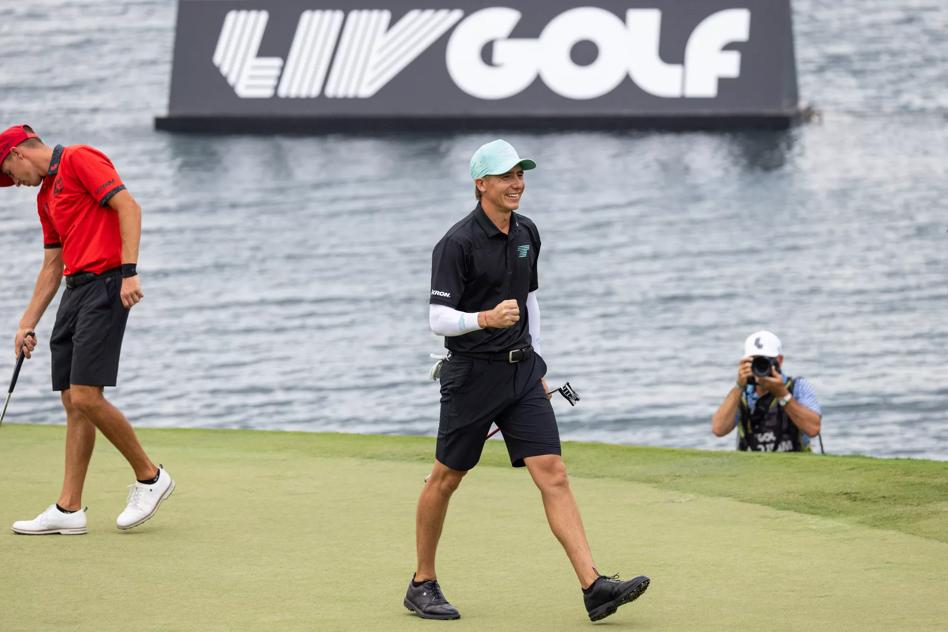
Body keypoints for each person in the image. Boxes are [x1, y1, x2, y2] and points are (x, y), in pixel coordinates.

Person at [405, 139, 649, 622]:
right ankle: (422, 583)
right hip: (470, 376)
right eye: (506, 176)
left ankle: (593, 585)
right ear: (482, 184)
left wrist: (537, 362)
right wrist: (484, 320)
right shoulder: (456, 243)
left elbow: (529, 299)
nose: (517, 184)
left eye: (521, 174)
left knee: (553, 473)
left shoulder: (527, 232)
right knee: (446, 478)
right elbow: (437, 318)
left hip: (522, 373)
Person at [1, 124, 174, 535]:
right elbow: (52, 266)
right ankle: (69, 508)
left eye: (8, 174)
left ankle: (151, 477)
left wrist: (130, 273)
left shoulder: (80, 158)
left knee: (86, 396)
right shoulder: (45, 197)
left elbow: (129, 207)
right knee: (71, 400)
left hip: (107, 284)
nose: (13, 184)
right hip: (74, 290)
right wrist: (28, 323)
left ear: (19, 154)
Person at [711, 330, 822, 452]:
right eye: (754, 361)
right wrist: (739, 386)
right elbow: (718, 429)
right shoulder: (742, 393)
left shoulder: (798, 387)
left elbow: (813, 429)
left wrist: (783, 395)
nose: (760, 366)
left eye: (765, 360)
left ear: (779, 360)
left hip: (794, 467)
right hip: (752, 468)